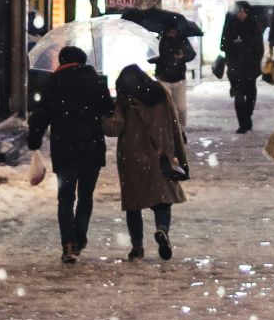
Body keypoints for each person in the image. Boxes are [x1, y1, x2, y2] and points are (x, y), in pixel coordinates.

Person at [27, 46, 115, 263]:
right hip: (91, 147)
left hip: (64, 148)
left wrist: (35, 139)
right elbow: (108, 109)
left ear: (62, 60)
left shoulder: (53, 83)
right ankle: (79, 238)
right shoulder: (95, 81)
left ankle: (67, 242)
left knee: (65, 198)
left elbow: (40, 115)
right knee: (85, 196)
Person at [103, 65, 188, 260]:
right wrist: (181, 158)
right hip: (160, 156)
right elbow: (175, 124)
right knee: (162, 201)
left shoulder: (126, 100)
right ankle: (162, 229)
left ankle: (137, 247)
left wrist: (106, 112)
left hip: (132, 157)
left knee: (134, 205)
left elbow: (113, 128)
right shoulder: (160, 93)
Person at [218, 0, 265, 133]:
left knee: (250, 94)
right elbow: (223, 45)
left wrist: (250, 52)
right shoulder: (230, 25)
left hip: (250, 67)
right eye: (239, 10)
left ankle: (248, 117)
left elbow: (258, 48)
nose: (242, 14)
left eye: (245, 11)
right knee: (239, 96)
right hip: (235, 66)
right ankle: (242, 123)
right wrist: (234, 43)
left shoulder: (254, 25)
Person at [151, 20, 196, 131]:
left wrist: (183, 56)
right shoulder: (159, 40)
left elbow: (192, 54)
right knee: (169, 107)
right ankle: (171, 130)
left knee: (181, 108)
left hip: (179, 78)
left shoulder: (182, 39)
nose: (172, 33)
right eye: (170, 31)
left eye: (174, 31)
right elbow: (149, 56)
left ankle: (181, 129)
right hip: (163, 78)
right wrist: (155, 58)